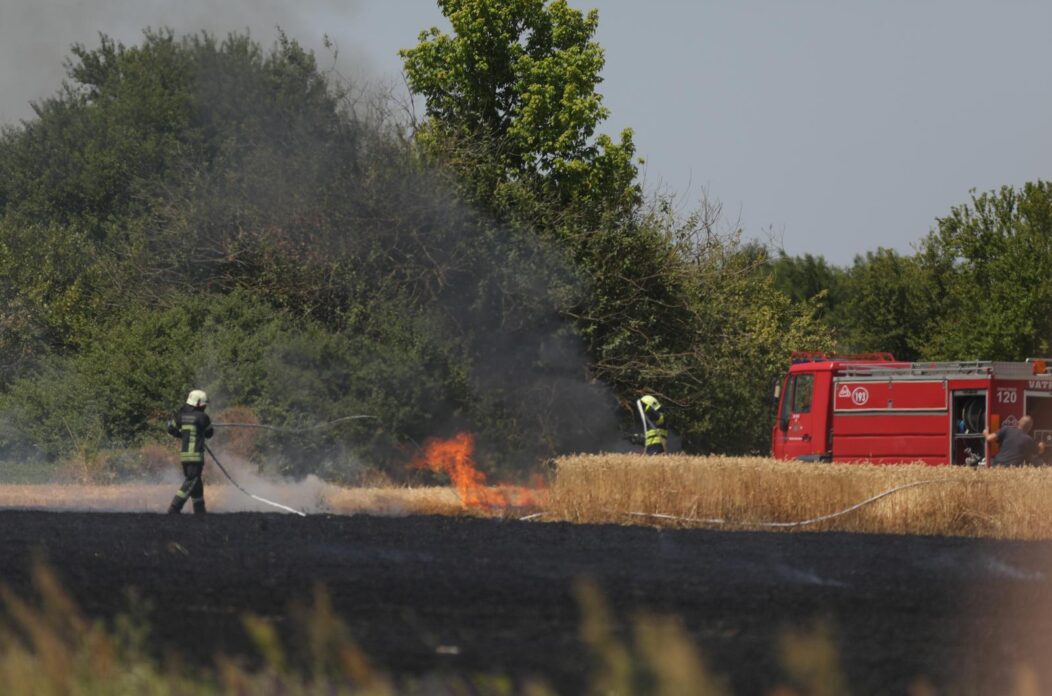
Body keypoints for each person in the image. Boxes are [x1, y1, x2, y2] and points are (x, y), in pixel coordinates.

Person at [167, 389, 214, 514]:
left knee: (196, 482)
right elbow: (210, 433)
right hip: (196, 456)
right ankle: (174, 508)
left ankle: (200, 511)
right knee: (191, 480)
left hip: (184, 456)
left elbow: (170, 428)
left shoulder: (181, 416)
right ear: (198, 403)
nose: (205, 406)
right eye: (204, 404)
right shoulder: (203, 417)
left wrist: (182, 435)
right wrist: (203, 430)